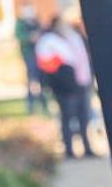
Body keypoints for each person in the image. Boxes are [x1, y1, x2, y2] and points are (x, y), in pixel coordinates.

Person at [35, 11, 95, 160]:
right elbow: (46, 64)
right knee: (67, 118)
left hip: (81, 83)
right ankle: (69, 150)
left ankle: (87, 147)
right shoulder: (49, 41)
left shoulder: (75, 38)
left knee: (84, 117)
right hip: (64, 87)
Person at [14, 3, 49, 114]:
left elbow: (43, 32)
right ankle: (31, 103)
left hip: (39, 54)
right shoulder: (20, 23)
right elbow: (20, 36)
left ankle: (43, 103)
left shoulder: (36, 21)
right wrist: (30, 37)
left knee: (41, 79)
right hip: (28, 54)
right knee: (31, 79)